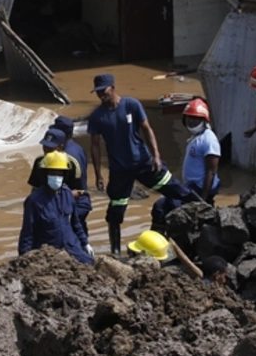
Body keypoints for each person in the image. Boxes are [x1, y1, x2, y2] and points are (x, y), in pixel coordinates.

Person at [87, 73, 190, 256]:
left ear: (113, 87)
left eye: (103, 91)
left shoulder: (131, 105)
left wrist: (156, 156)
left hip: (144, 163)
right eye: (98, 92)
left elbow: (147, 129)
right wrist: (98, 174)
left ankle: (205, 215)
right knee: (115, 213)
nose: (101, 95)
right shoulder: (97, 116)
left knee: (178, 191)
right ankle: (115, 252)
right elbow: (95, 146)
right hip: (119, 171)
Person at [150, 97, 220, 232]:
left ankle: (163, 240)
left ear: (203, 119)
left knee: (164, 206)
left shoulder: (209, 140)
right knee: (161, 206)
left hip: (199, 191)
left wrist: (202, 201)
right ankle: (158, 239)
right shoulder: (197, 137)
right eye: (189, 118)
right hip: (190, 188)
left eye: (196, 118)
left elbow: (211, 171)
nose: (192, 121)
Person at [18, 151, 93, 264]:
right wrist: (24, 258)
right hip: (48, 254)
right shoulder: (34, 201)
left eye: (59, 174)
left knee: (91, 264)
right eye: (53, 173)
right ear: (45, 174)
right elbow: (27, 233)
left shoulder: (68, 194)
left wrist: (85, 243)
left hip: (72, 248)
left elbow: (76, 223)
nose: (56, 177)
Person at [28, 128, 92, 247]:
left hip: (72, 203)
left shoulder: (71, 163)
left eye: (51, 148)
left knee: (73, 233)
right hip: (47, 204)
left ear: (61, 147)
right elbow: (35, 188)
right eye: (45, 147)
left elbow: (80, 191)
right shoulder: (39, 162)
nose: (47, 150)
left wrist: (61, 197)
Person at [50, 116, 93, 239]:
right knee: (81, 234)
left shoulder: (67, 156)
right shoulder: (77, 148)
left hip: (74, 203)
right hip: (81, 199)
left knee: (72, 237)